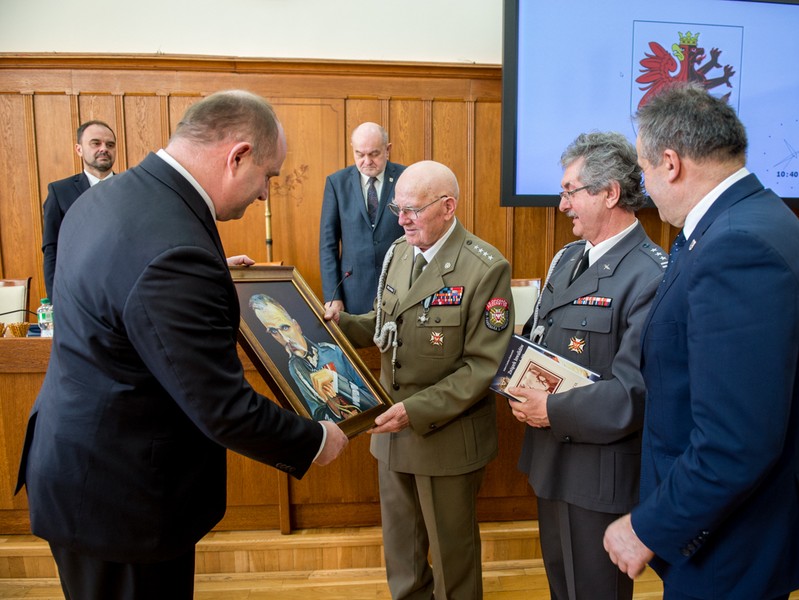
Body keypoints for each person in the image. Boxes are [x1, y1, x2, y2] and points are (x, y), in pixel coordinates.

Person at [17, 90, 348, 600]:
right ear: (236, 156)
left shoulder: (114, 195)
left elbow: (133, 292)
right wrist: (316, 440)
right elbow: (223, 409)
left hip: (83, 465)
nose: (265, 194)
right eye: (268, 176)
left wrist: (211, 276)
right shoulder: (175, 253)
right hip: (122, 499)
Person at [603, 84, 799, 599]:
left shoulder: (737, 245)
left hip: (732, 538)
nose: (645, 186)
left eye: (644, 171)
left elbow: (736, 441)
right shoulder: (738, 223)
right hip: (725, 528)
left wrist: (647, 524)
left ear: (670, 163)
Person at [326, 160, 513, 599]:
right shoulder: (399, 253)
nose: (402, 219)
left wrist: (415, 411)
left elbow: (481, 367)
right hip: (392, 435)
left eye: (413, 209)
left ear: (448, 207)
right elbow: (385, 322)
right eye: (398, 208)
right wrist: (339, 324)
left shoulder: (485, 268)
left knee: (453, 561)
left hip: (444, 436)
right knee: (402, 558)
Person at [507, 131, 666, 600]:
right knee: (562, 587)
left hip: (601, 477)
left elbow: (635, 392)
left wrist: (551, 410)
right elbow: (538, 338)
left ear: (610, 192)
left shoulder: (651, 275)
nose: (562, 205)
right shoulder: (567, 259)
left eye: (570, 191)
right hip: (551, 461)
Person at [249, 293, 378, 421]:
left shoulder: (333, 351)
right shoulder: (294, 367)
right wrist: (332, 405)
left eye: (285, 327)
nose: (285, 339)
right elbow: (317, 414)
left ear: (296, 326)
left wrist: (336, 381)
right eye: (273, 331)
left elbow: (374, 402)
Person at [320, 122, 406, 314]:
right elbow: (328, 245)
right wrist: (333, 297)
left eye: (374, 154)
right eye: (360, 154)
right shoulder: (336, 183)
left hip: (400, 289)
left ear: (387, 150)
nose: (367, 161)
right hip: (353, 292)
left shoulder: (406, 178)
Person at [42, 120, 117, 301]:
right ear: (79, 149)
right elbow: (52, 249)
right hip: (78, 295)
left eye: (110, 145)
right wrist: (55, 300)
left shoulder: (133, 188)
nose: (103, 148)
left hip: (121, 292)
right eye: (95, 143)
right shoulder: (59, 191)